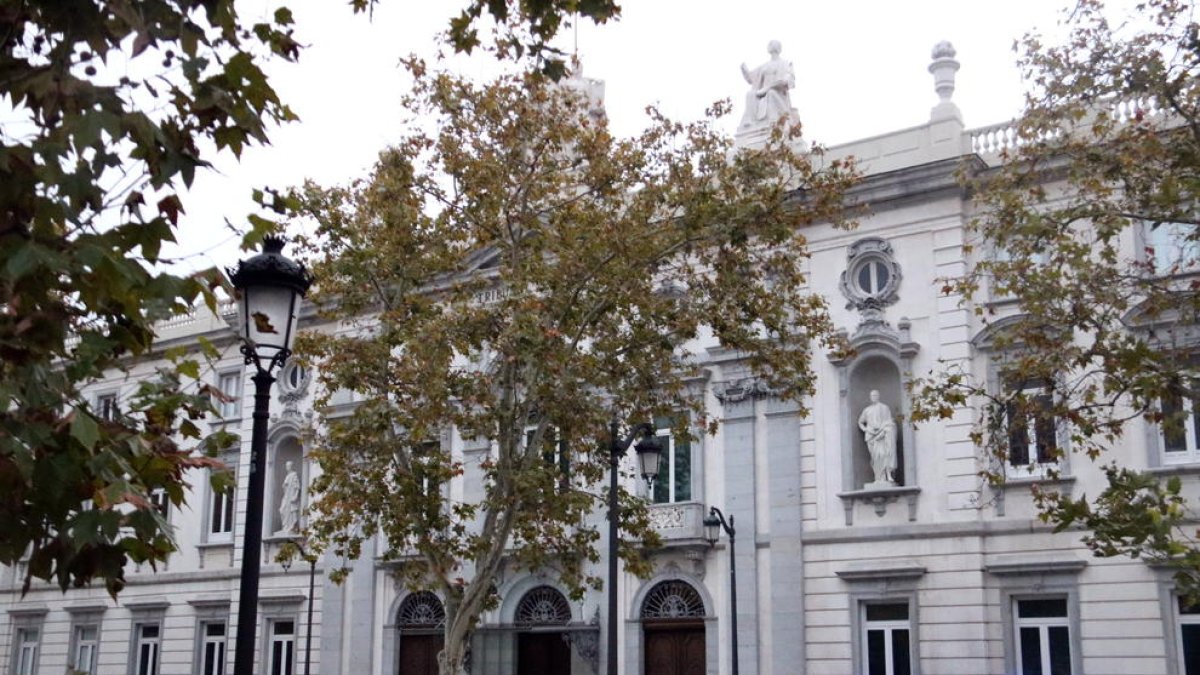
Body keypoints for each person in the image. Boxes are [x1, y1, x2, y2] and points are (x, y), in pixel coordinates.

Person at [739, 40, 796, 130]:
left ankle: (773, 121)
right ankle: (750, 121)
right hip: (762, 94)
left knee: (771, 93)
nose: (771, 45)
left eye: (773, 44)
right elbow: (751, 79)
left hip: (778, 95)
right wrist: (744, 70)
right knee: (750, 94)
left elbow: (788, 79)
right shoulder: (765, 66)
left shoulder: (785, 63)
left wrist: (769, 87)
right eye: (770, 44)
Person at [858, 390, 897, 485]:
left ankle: (887, 476)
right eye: (871, 395)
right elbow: (860, 422)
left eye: (875, 395)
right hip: (870, 436)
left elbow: (889, 422)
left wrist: (883, 429)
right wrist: (866, 430)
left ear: (878, 396)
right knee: (875, 458)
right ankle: (878, 477)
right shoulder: (867, 410)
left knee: (884, 454)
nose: (873, 397)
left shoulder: (884, 408)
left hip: (882, 434)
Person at [278, 461, 300, 534]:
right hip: (286, 496)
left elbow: (297, 487)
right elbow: (285, 486)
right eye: (286, 466)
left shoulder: (294, 475)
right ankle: (285, 526)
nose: (287, 467)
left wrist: (295, 496)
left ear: (291, 466)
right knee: (282, 510)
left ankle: (291, 527)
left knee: (291, 510)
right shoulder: (287, 476)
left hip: (291, 496)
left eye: (288, 466)